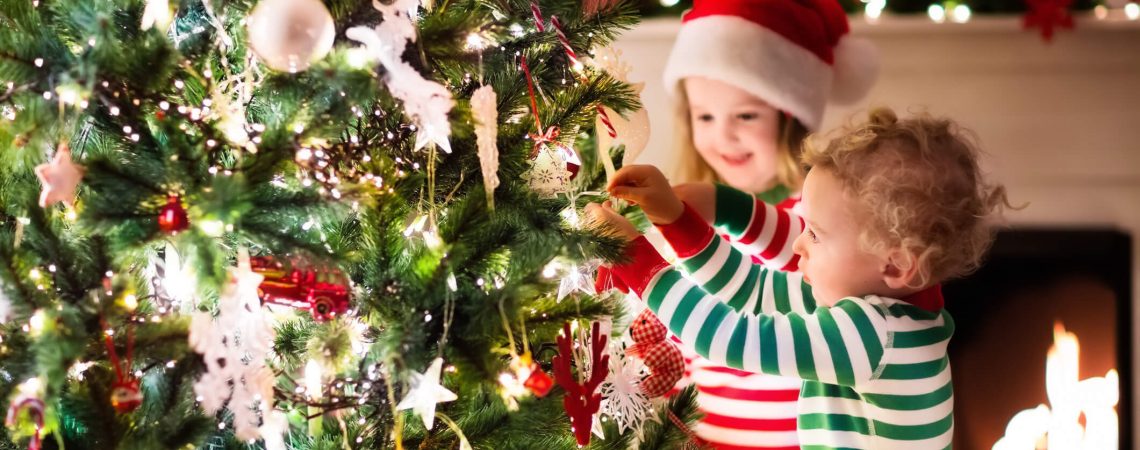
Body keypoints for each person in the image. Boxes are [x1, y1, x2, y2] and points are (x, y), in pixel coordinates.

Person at [592, 108, 1010, 448]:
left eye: (815, 233)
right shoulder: (885, 304)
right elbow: (754, 293)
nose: (798, 245)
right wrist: (678, 220)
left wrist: (636, 260)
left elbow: (729, 337)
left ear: (896, 265)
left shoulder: (872, 337)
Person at [654, 0, 878, 446]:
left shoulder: (819, 218)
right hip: (706, 437)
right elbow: (676, 336)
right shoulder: (686, 219)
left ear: (790, 115)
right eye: (705, 116)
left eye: (746, 115)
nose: (723, 135)